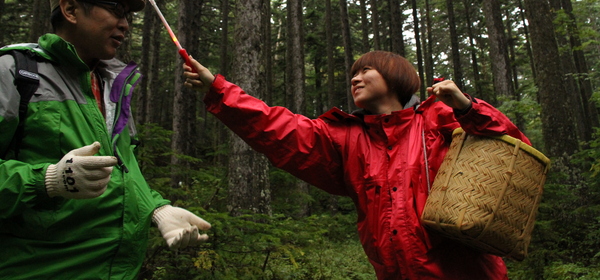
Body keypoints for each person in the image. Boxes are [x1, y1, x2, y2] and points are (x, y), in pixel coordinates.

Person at [183, 50, 530, 280]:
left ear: (395, 76)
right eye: (353, 74)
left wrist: (467, 108)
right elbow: (276, 126)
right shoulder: (346, 138)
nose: (355, 78)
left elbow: (513, 149)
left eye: (366, 70)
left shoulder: (436, 117)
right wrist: (219, 90)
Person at [0, 0, 210, 279]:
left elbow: (125, 169)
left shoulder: (113, 86)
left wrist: (157, 209)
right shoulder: (14, 72)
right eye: (115, 9)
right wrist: (47, 180)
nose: (125, 25)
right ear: (70, 9)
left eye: (128, 16)